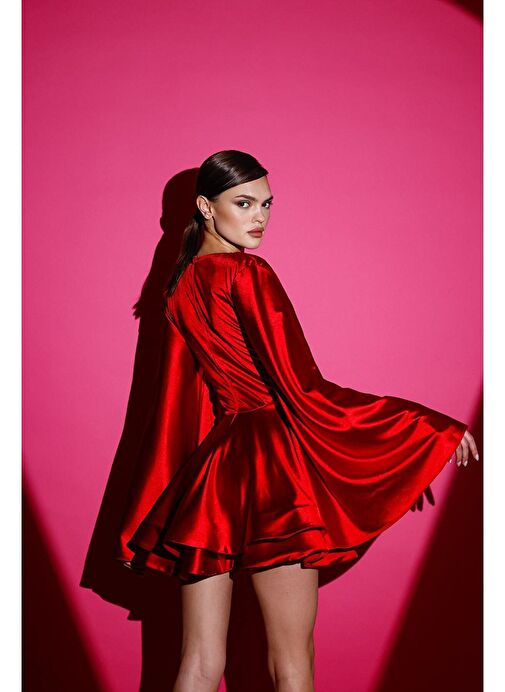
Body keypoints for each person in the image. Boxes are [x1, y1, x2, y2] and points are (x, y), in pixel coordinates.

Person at [115, 150, 479, 692]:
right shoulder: (247, 273)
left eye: (266, 204)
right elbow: (305, 389)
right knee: (292, 662)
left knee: (197, 663)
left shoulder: (180, 285)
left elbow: (176, 405)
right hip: (271, 472)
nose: (259, 217)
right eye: (244, 203)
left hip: (213, 473)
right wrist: (422, 428)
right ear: (206, 207)